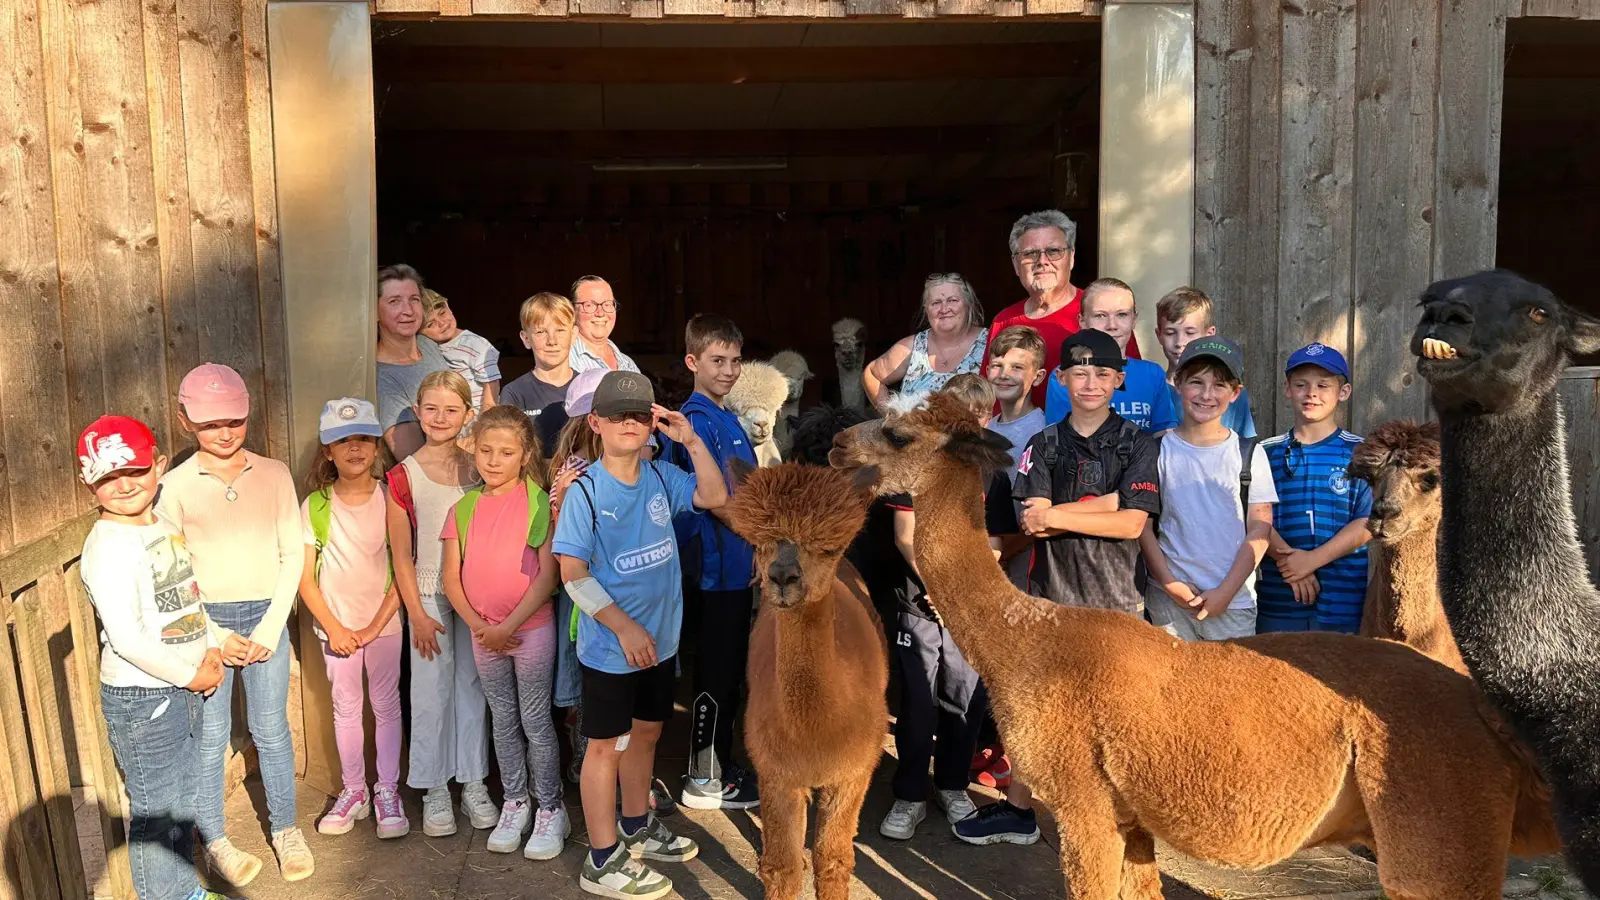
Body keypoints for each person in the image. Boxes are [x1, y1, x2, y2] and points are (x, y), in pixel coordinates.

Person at [956, 329, 1160, 846]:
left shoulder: (1137, 444)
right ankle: (1020, 812)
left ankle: (1117, 824)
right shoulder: (1042, 444)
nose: (1089, 382)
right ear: (1062, 379)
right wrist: (1108, 503)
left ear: (1118, 380)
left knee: (1116, 721)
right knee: (1037, 712)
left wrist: (1070, 512)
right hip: (1050, 602)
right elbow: (1032, 523)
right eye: (1079, 372)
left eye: (1101, 373)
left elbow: (1135, 524)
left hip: (1117, 605)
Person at [552, 372, 728, 900]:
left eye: (639, 415)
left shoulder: (661, 477)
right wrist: (623, 626)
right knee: (604, 746)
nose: (629, 424)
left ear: (652, 422)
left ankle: (636, 824)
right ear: (596, 423)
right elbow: (572, 574)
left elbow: (715, 495)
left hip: (660, 642)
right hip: (612, 649)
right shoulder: (586, 491)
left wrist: (691, 440)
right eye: (618, 415)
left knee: (648, 735)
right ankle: (602, 859)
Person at [158, 364, 311, 886]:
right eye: (209, 423)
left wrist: (270, 629)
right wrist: (213, 637)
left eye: (235, 421)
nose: (224, 432)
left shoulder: (273, 474)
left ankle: (287, 829)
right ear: (185, 421)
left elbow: (294, 552)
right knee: (211, 735)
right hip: (209, 625)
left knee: (271, 729)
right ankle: (216, 838)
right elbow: (172, 575)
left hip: (266, 615)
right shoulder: (173, 486)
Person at [76, 415, 240, 900]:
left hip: (182, 685)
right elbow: (127, 638)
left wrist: (212, 642)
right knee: (156, 810)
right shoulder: (107, 547)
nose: (123, 485)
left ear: (160, 465)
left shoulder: (162, 524)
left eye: (135, 470)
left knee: (182, 801)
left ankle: (186, 892)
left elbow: (187, 597)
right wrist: (191, 675)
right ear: (88, 481)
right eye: (107, 476)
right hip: (144, 699)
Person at [440, 405, 567, 860]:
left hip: (528, 631)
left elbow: (547, 575)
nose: (494, 461)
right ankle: (516, 801)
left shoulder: (538, 502)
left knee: (535, 721)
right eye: (486, 450)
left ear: (525, 453)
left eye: (506, 452)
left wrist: (508, 626)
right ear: (473, 450)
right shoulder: (464, 507)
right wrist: (481, 627)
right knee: (504, 721)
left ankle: (550, 807)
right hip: (483, 636)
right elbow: (451, 578)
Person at [878, 375, 1002, 842]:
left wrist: (967, 587)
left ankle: (952, 786)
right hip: (919, 603)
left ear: (987, 420)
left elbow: (998, 538)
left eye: (975, 419)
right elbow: (904, 536)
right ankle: (909, 795)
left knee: (964, 700)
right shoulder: (913, 464)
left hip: (971, 608)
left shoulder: (995, 469)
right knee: (916, 704)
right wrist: (940, 586)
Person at [385, 371, 498, 838]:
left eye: (452, 410)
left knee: (473, 686)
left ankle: (473, 781)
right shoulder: (402, 476)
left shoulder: (480, 469)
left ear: (468, 415)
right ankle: (433, 788)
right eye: (431, 409)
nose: (441, 418)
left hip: (474, 593)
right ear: (417, 410)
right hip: (429, 595)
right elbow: (402, 553)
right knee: (430, 690)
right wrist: (415, 612)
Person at [299, 399, 407, 840]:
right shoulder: (315, 506)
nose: (355, 448)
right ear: (327, 451)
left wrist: (373, 626)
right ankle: (354, 790)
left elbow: (403, 570)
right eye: (343, 441)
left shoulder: (391, 500)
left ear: (377, 445)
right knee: (346, 708)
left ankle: (387, 790)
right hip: (336, 629)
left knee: (386, 706)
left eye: (363, 438)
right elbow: (305, 580)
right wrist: (337, 628)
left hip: (384, 626)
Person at [669, 314, 761, 811]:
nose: (728, 370)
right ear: (693, 362)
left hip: (733, 563)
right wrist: (759, 540)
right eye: (716, 360)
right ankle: (704, 778)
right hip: (711, 569)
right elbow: (717, 499)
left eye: (734, 360)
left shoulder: (725, 416)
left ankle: (720, 766)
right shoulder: (698, 420)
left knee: (727, 670)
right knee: (715, 672)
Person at [1139, 338, 1277, 641]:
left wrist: (1226, 592)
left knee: (1230, 687)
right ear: (1177, 383)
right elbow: (1144, 526)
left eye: (1218, 385)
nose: (1206, 394)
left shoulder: (1249, 453)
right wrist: (1169, 583)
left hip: (1234, 603)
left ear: (1235, 392)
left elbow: (1260, 529)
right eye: (1196, 382)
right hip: (1168, 602)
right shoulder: (1155, 451)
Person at [1256, 344, 1373, 634]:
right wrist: (1291, 567)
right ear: (1287, 389)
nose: (1311, 393)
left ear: (1343, 392)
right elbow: (1254, 517)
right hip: (1279, 599)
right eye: (1301, 384)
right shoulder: (1264, 453)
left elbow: (1368, 520)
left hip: (1343, 601)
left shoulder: (1360, 452)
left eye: (1323, 385)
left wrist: (1311, 561)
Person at [987, 210, 1142, 408]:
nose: (1042, 261)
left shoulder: (1101, 313)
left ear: (1072, 257)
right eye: (1030, 253)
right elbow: (989, 395)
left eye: (1053, 251)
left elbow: (1134, 384)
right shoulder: (1004, 320)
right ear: (1016, 265)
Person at [1044, 278, 1177, 434]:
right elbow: (1061, 439)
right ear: (1082, 321)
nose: (1112, 326)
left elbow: (1164, 434)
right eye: (1100, 316)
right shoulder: (1066, 374)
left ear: (1134, 320)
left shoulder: (1152, 374)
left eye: (1122, 315)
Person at [863, 273, 989, 412]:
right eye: (936, 303)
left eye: (952, 300)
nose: (944, 309)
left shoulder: (988, 342)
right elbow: (871, 374)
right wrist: (891, 416)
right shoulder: (913, 346)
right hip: (913, 433)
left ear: (968, 303)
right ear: (926, 309)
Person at [1155, 286, 1257, 438]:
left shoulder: (1231, 394)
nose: (1179, 342)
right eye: (1170, 333)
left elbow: (1245, 445)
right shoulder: (1152, 390)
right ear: (1159, 334)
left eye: (1190, 332)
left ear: (1209, 334)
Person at [376, 265, 453, 460]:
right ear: (374, 312)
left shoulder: (427, 343)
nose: (408, 310)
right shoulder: (382, 377)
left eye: (414, 299)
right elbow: (416, 459)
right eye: (395, 301)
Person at [501, 292, 579, 452]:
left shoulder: (588, 389)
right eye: (540, 332)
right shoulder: (514, 393)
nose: (552, 341)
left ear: (574, 335)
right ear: (526, 339)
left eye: (560, 330)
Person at [420, 288, 501, 412]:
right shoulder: (428, 346)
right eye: (430, 324)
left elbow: (491, 382)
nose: (441, 323)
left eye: (442, 313)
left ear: (448, 307)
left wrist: (486, 416)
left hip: (476, 414)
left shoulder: (475, 344)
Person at [568, 276, 642, 375]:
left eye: (607, 305)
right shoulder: (564, 359)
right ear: (572, 311)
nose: (600, 313)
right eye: (589, 305)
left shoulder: (628, 364)